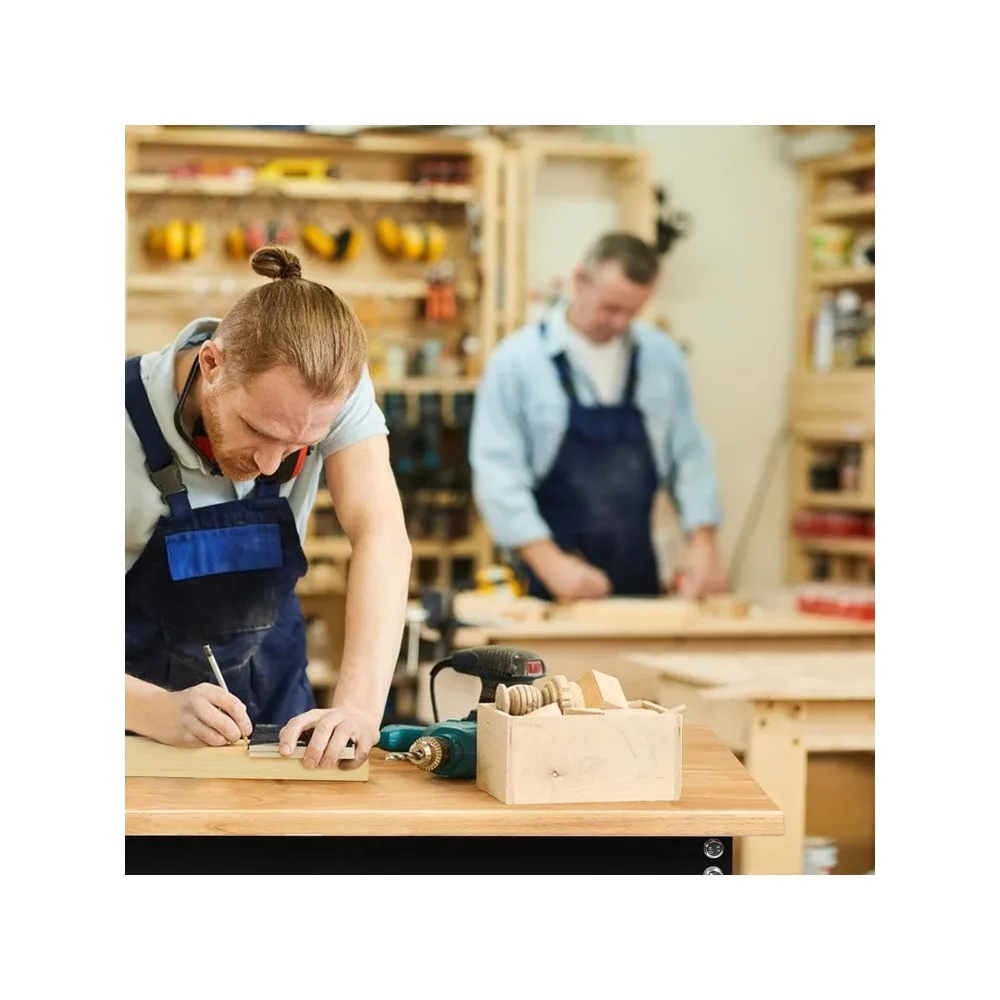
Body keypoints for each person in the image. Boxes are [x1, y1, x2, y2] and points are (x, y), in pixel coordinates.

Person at [125, 245, 411, 771]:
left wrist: (356, 707)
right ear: (212, 364)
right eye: (259, 431)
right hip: (133, 734)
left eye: (301, 446)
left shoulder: (317, 396)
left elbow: (381, 532)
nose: (271, 463)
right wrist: (152, 710)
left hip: (277, 701)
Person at [470, 231, 726, 603]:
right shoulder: (517, 363)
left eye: (633, 312)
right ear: (579, 280)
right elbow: (497, 473)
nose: (620, 322)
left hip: (637, 577)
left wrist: (703, 540)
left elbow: (690, 455)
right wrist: (549, 561)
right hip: (544, 584)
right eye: (610, 308)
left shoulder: (663, 360)